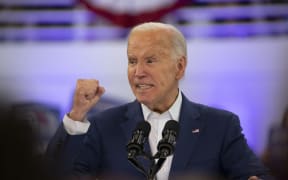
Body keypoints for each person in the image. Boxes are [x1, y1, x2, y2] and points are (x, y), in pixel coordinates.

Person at [46, 22, 272, 180]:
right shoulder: (105, 125)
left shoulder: (220, 126)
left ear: (179, 67)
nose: (138, 72)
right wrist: (76, 116)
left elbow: (254, 175)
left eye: (150, 61)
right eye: (132, 61)